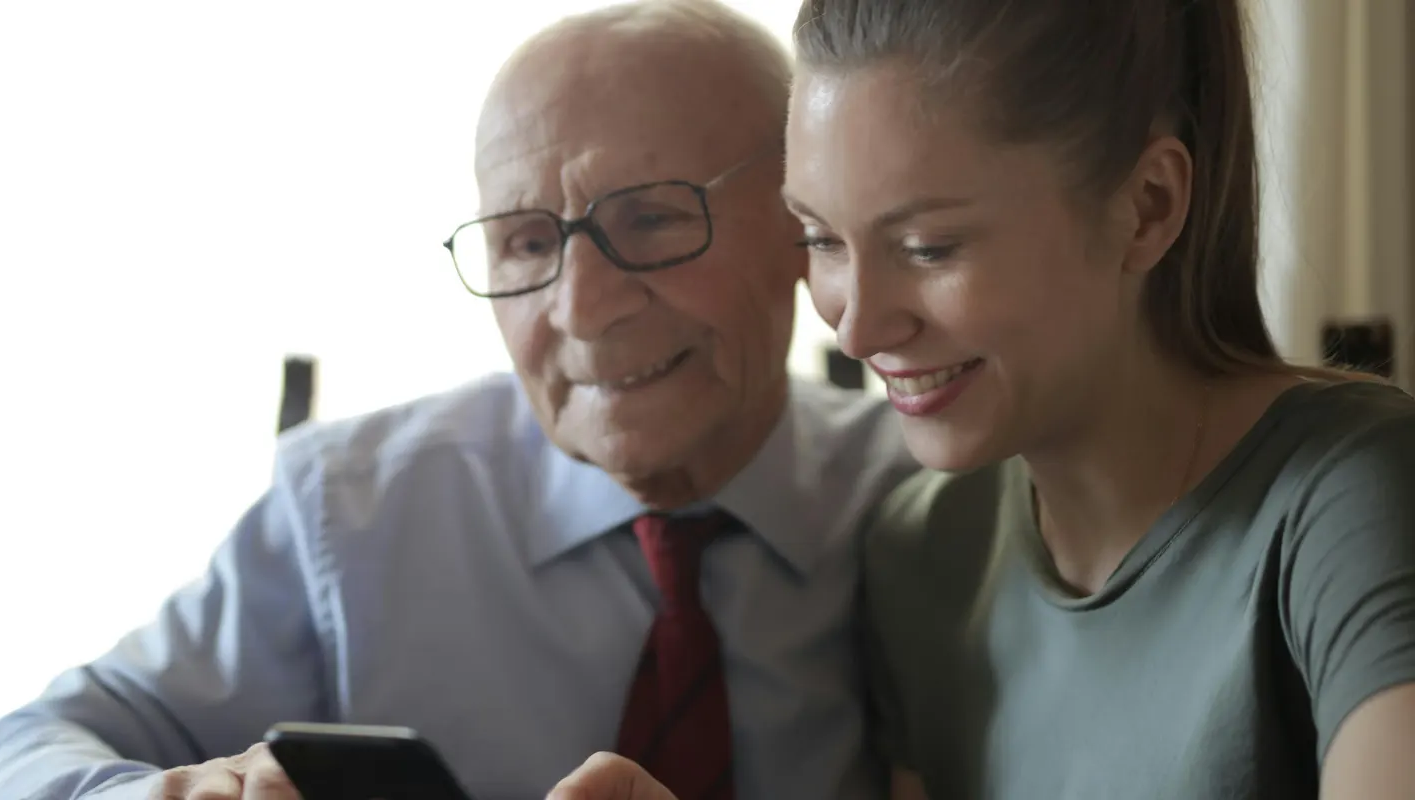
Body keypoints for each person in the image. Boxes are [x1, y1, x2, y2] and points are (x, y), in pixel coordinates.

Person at [0, 2, 919, 799]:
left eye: (651, 218)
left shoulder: (931, 501)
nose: (581, 308)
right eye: (528, 242)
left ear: (804, 224)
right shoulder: (353, 510)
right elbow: (6, 755)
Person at [552, 0, 1415, 798]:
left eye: (928, 247)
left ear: (1147, 207)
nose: (855, 329)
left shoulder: (1355, 500)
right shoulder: (922, 552)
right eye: (819, 239)